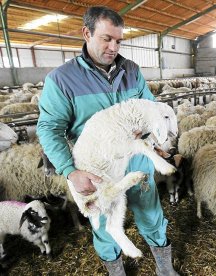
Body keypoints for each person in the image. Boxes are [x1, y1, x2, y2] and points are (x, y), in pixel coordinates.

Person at [37, 6, 179, 276]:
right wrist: (70, 171)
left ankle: (165, 269)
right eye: (106, 38)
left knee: (152, 216)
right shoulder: (62, 80)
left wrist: (154, 136)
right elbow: (48, 129)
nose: (114, 46)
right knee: (104, 227)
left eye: (118, 40)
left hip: (137, 162)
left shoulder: (132, 71)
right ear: (86, 33)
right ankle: (116, 272)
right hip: (96, 169)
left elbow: (151, 110)